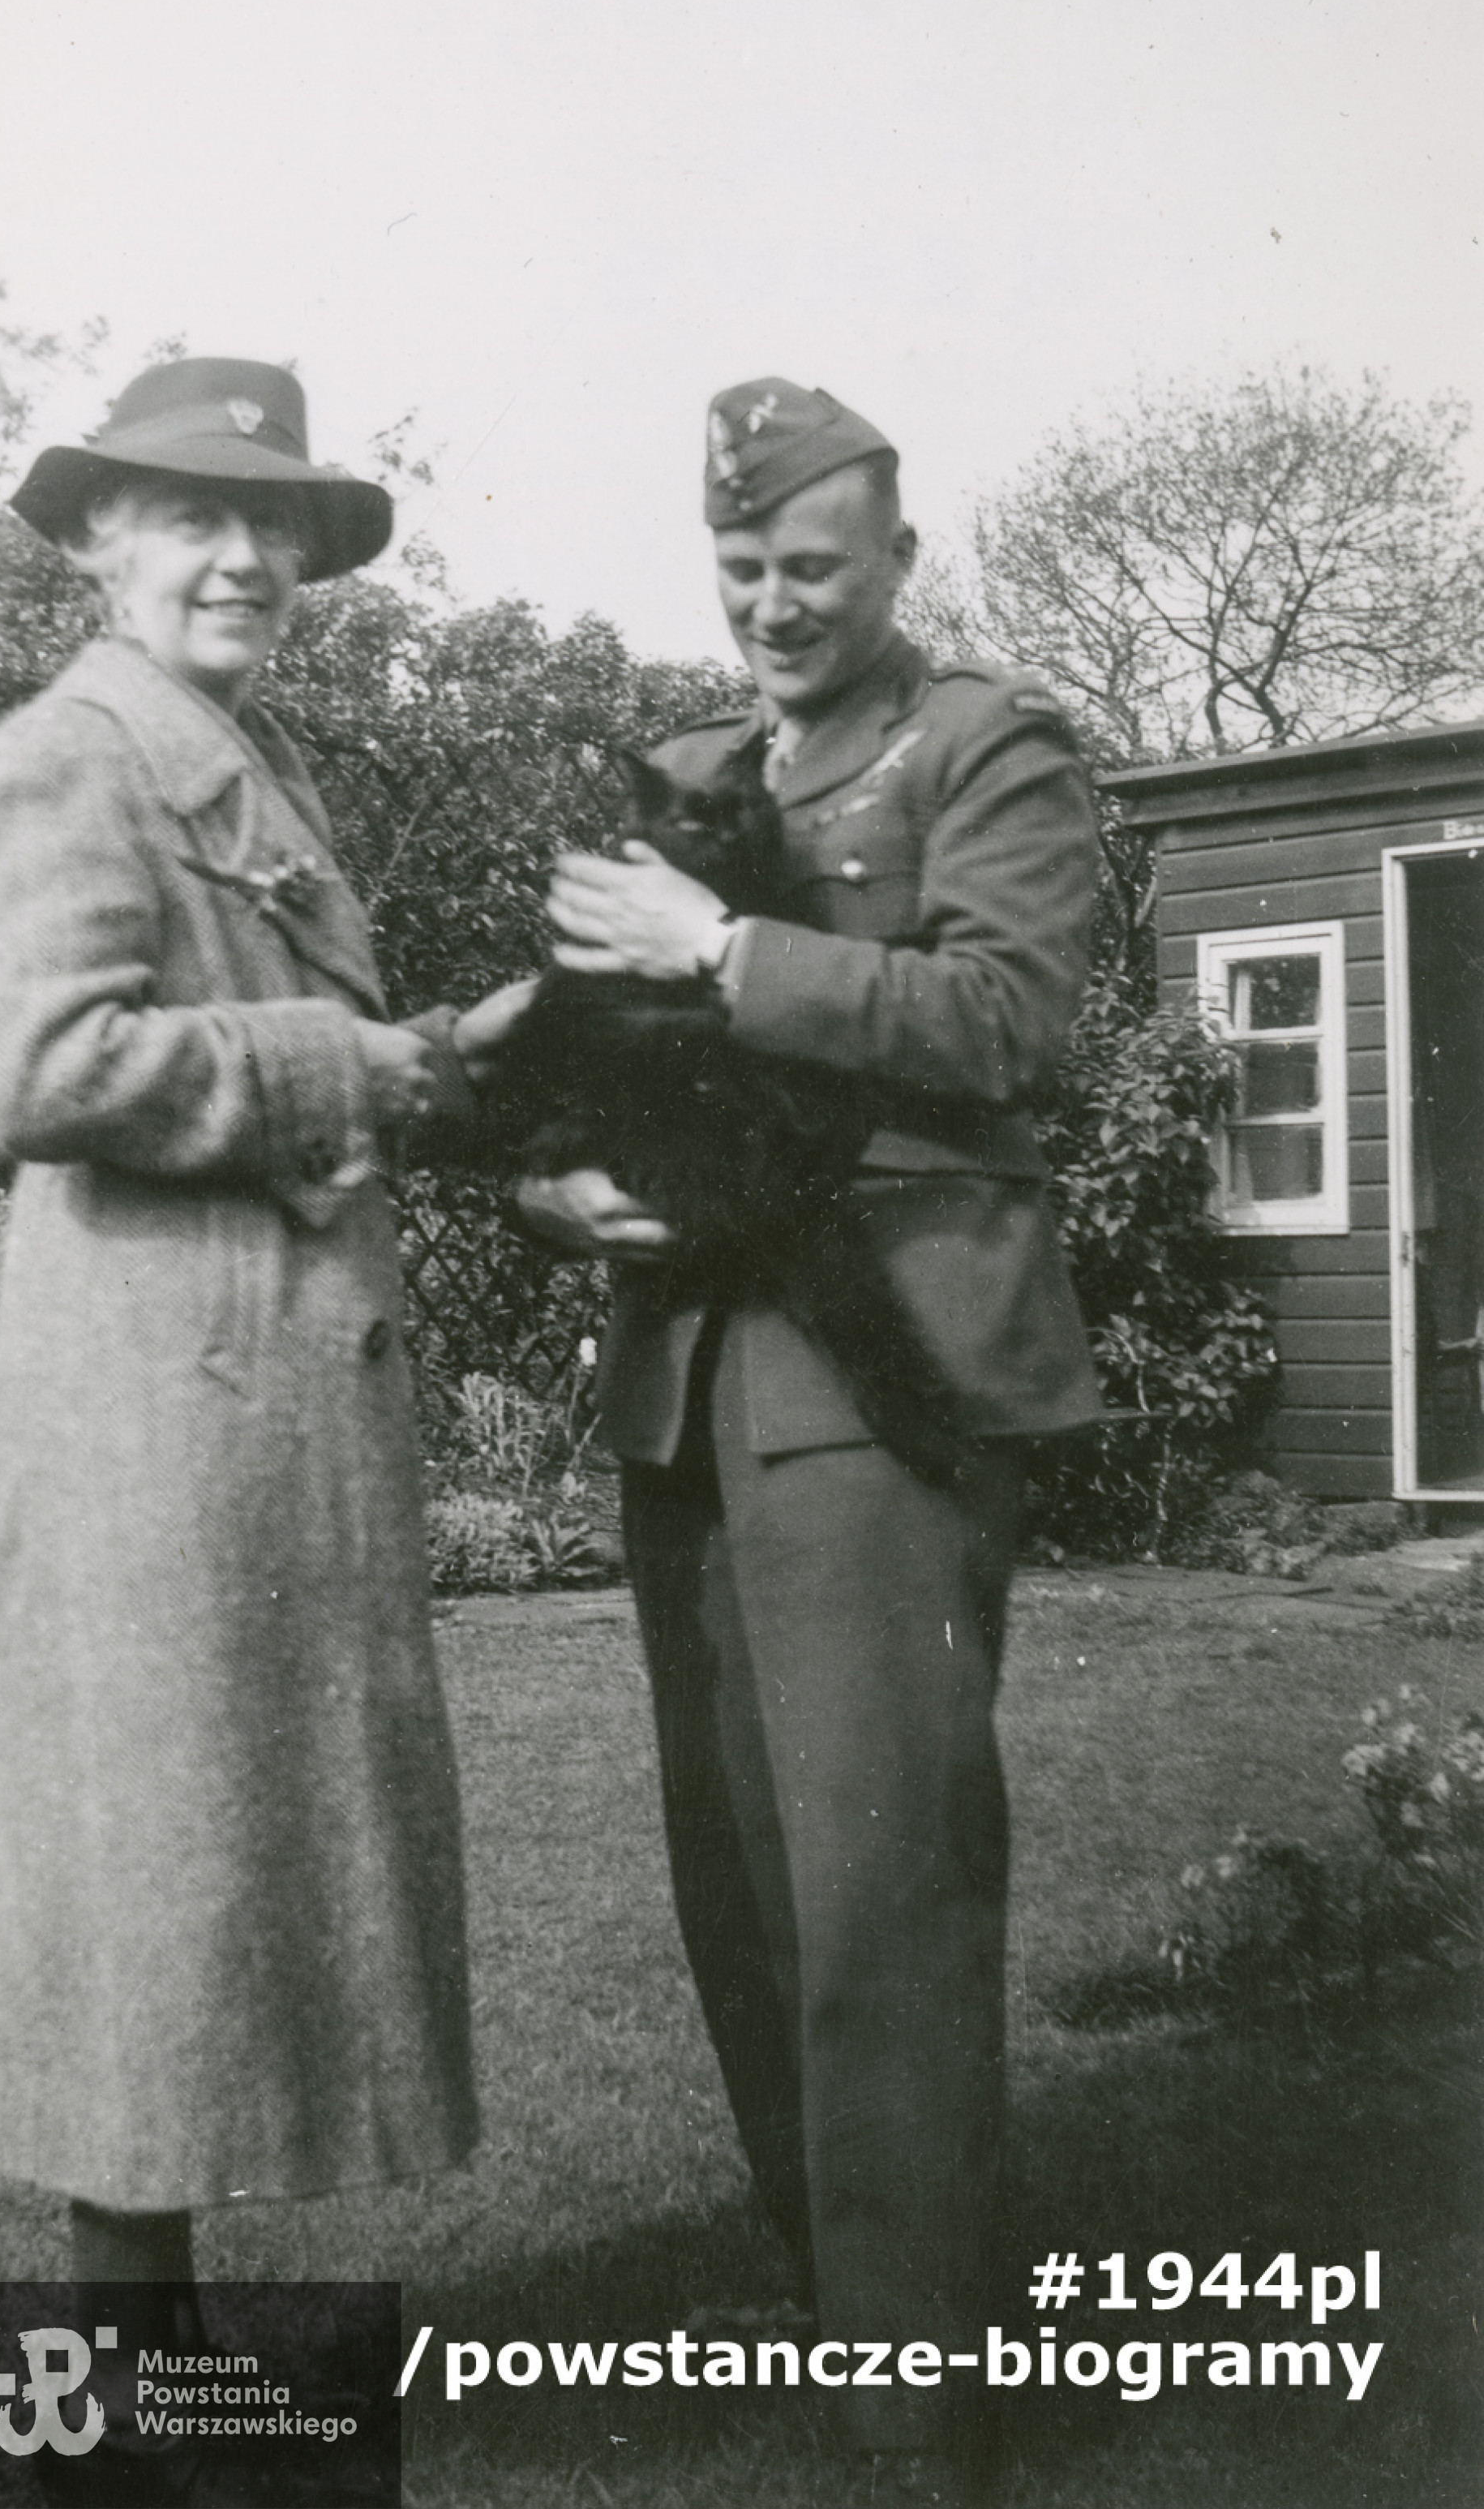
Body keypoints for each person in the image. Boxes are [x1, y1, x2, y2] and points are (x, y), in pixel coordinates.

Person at [518, 378, 1102, 2507]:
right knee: (744, 1904)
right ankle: (854, 2333)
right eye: (741, 569)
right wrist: (548, 1175)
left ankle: (921, 2425)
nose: (771, 604)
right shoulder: (692, 770)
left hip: (884, 1380)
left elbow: (1014, 1021)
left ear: (899, 563)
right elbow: (581, 1048)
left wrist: (731, 948)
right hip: (688, 1382)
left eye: (812, 571)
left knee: (880, 1910)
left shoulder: (984, 748)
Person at [0, 358, 528, 2489]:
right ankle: (113, 2393)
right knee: (148, 1891)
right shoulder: (67, 760)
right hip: (156, 1418)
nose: (246, 558)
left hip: (236, 1401)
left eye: (274, 526)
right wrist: (366, 1070)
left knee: (193, 1892)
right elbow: (42, 1069)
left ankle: (144, 2371)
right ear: (96, 540)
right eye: (193, 516)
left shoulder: (220, 759)